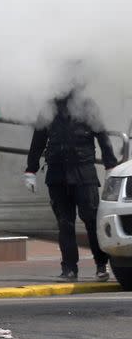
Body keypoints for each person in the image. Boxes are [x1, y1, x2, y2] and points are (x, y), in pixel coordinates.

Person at [25, 90, 118, 282]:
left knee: (91, 220)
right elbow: (39, 139)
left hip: (84, 172)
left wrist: (110, 165)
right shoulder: (48, 107)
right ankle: (69, 268)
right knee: (65, 223)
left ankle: (101, 265)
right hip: (58, 173)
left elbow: (102, 135)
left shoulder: (87, 105)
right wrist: (31, 170)